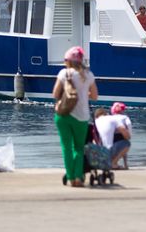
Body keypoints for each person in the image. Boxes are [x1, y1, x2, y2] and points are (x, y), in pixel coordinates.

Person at [52, 46, 98, 187]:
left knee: (66, 147)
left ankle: (71, 177)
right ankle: (78, 177)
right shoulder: (88, 75)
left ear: (68, 61)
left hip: (63, 115)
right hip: (82, 117)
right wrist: (84, 94)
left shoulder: (63, 73)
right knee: (78, 148)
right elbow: (95, 96)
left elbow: (55, 94)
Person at [109, 102, 132, 169]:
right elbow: (129, 127)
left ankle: (112, 162)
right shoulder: (125, 118)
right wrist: (129, 135)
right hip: (121, 139)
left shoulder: (110, 118)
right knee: (126, 143)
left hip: (109, 141)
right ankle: (122, 164)